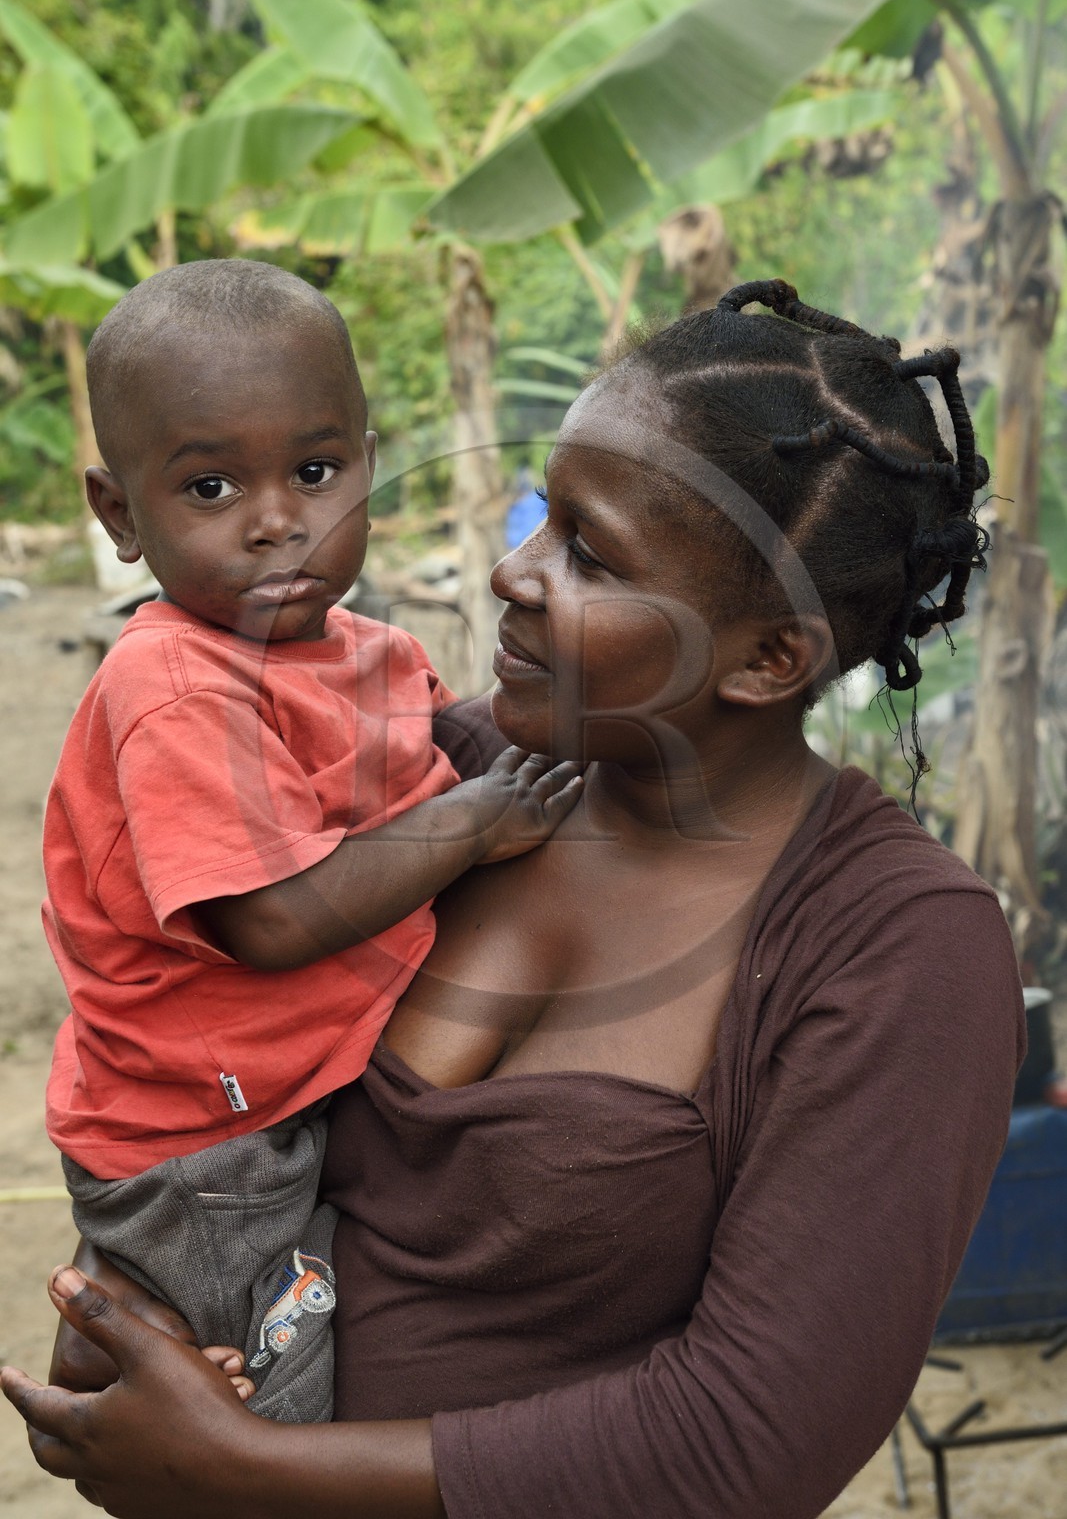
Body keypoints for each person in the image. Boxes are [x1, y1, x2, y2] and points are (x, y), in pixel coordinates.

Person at [4, 280, 1025, 1519]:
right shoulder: (438, 774)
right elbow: (204, 1053)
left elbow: (749, 1440)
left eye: (588, 554)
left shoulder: (891, 950)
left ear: (766, 659)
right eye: (542, 514)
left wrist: (246, 1470)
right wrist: (141, 1314)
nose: (508, 570)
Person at [39, 260, 582, 1424]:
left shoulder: (362, 649)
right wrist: (470, 823)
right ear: (118, 514)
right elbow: (270, 919)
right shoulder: (174, 685)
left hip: (286, 1086)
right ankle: (114, 1350)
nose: (278, 518)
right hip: (204, 1140)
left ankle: (133, 1308)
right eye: (211, 486)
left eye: (317, 471)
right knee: (274, 1397)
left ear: (370, 467)